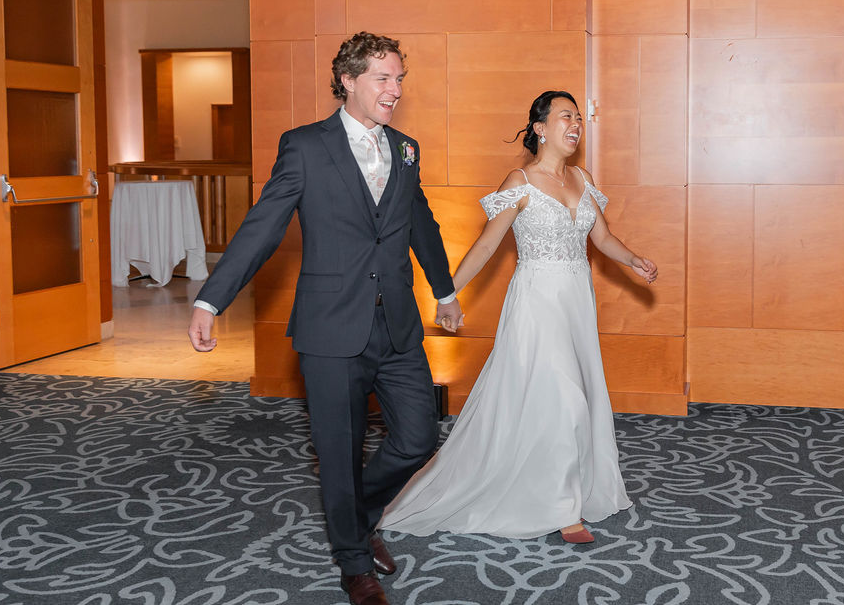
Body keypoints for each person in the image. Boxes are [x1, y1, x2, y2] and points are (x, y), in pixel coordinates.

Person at [187, 32, 462, 605]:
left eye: (400, 79)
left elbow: (422, 225)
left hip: (399, 325)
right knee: (339, 449)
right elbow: (262, 227)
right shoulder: (305, 147)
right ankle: (353, 561)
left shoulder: (406, 148)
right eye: (384, 79)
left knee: (417, 437)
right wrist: (211, 299)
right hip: (330, 327)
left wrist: (444, 290)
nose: (395, 90)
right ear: (349, 81)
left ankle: (355, 517)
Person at [378, 90, 657, 544]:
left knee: (573, 397)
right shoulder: (519, 182)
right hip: (536, 303)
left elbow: (603, 239)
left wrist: (634, 260)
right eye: (567, 116)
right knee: (565, 398)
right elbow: (488, 244)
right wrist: (446, 293)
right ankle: (565, 509)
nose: (576, 124)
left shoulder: (583, 178)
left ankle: (561, 486)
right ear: (541, 128)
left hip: (575, 303)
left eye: (580, 118)